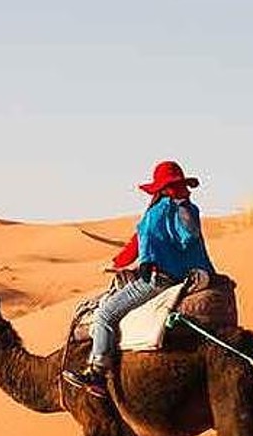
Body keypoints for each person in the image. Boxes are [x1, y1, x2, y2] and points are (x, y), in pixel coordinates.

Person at [64, 160, 215, 397]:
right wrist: (117, 263)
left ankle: (97, 373)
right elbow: (142, 243)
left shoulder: (164, 211)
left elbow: (175, 238)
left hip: (159, 279)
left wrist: (144, 261)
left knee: (105, 314)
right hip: (185, 275)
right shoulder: (184, 209)